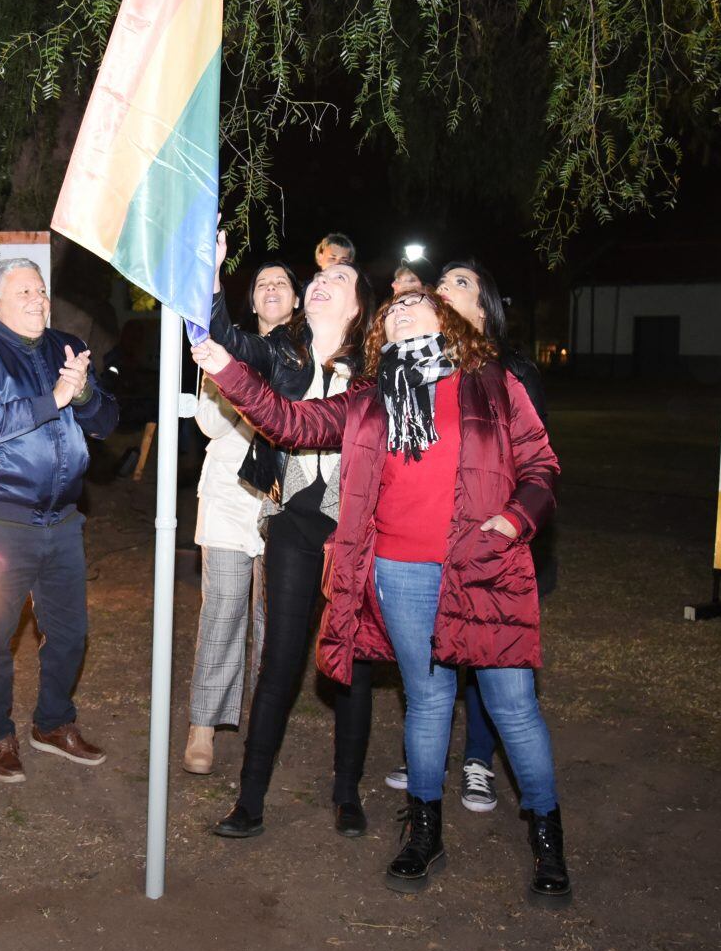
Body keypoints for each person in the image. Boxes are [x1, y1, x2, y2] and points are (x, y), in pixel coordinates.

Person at [191, 289, 570, 905]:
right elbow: (292, 422)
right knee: (425, 702)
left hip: (484, 564)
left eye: (415, 302)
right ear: (379, 334)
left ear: (444, 318)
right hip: (403, 570)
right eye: (392, 309)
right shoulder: (370, 399)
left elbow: (540, 464)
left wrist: (516, 520)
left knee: (513, 706)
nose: (400, 309)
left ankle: (548, 839)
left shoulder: (491, 383)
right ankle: (423, 833)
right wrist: (225, 368)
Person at [206, 235, 378, 839]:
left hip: (356, 527)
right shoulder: (284, 353)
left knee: (349, 657)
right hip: (295, 522)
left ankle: (347, 792)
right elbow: (223, 340)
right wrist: (213, 269)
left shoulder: (378, 371)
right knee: (280, 657)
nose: (323, 282)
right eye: (319, 279)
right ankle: (249, 801)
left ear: (359, 306)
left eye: (341, 280)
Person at [0, 258, 119, 783]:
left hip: (64, 518)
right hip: (1, 519)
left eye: (41, 291)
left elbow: (108, 422)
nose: (38, 300)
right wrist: (56, 398)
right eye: (25, 292)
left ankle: (52, 723)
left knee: (69, 632)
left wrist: (84, 392)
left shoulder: (65, 346)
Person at [428, 258, 553, 812]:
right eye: (441, 282)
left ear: (485, 307)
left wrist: (509, 523)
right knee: (431, 671)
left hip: (488, 551)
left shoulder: (511, 373)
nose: (444, 289)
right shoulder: (412, 369)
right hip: (425, 550)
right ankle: (426, 765)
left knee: (498, 682)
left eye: (461, 283)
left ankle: (480, 761)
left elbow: (538, 465)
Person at [184, 261, 301, 774]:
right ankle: (203, 726)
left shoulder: (310, 358)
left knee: (273, 620)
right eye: (262, 285)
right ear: (251, 303)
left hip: (286, 498)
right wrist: (239, 378)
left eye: (282, 284)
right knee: (223, 610)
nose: (271, 289)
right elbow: (209, 423)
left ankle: (261, 726)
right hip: (232, 494)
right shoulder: (224, 347)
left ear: (297, 300)